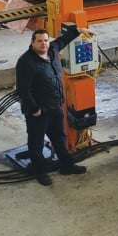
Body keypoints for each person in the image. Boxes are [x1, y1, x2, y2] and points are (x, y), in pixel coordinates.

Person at [16, 24, 93, 186]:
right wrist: (34, 109)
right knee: (36, 143)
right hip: (39, 111)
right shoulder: (26, 62)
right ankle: (40, 171)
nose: (43, 44)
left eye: (45, 40)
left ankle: (67, 165)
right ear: (32, 42)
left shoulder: (52, 50)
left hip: (55, 107)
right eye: (39, 41)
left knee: (59, 138)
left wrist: (79, 31)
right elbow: (23, 90)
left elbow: (63, 40)